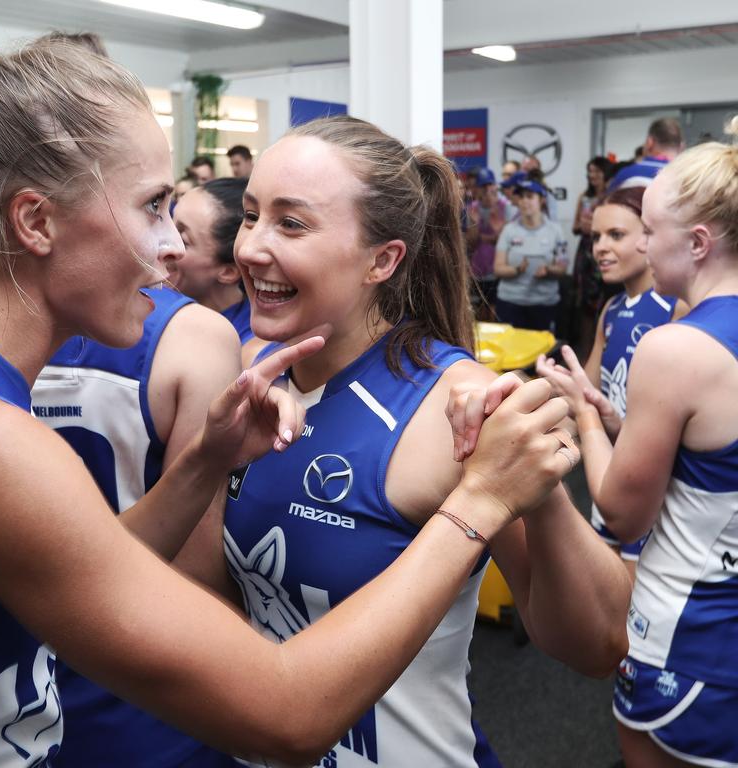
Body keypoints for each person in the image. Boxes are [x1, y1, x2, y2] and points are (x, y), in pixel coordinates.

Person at [0, 31, 581, 767]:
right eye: (151, 207)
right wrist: (478, 505)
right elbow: (287, 716)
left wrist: (203, 462)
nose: (177, 248)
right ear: (35, 222)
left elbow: (77, 564)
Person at [182, 115, 630, 766]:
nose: (250, 248)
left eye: (291, 223)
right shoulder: (246, 369)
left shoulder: (453, 403)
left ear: (382, 259)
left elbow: (599, 644)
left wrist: (535, 492)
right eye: (251, 216)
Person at [484, 127, 738, 768]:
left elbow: (623, 513)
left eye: (649, 233)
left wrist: (588, 420)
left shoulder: (677, 346)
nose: (644, 247)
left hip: (692, 637)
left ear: (699, 242)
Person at [34, 286, 242, 768]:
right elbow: (196, 579)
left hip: (13, 700)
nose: (171, 241)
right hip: (147, 704)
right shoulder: (196, 338)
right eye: (152, 208)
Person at [539, 186, 682, 578]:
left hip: (658, 490)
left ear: (650, 236)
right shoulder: (612, 310)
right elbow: (587, 397)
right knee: (612, 613)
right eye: (596, 237)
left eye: (616, 235)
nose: (600, 247)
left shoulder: (678, 308)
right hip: (611, 475)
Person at [168, 177, 253, 344]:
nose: (161, 243)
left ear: (228, 271)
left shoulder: (246, 343)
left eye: (183, 240)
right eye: (167, 224)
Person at [492, 179, 568, 331]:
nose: (524, 201)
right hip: (510, 303)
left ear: (542, 200)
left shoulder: (556, 231)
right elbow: (498, 268)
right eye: (521, 197)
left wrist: (548, 270)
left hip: (544, 304)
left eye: (530, 196)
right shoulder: (509, 230)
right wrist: (517, 270)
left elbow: (562, 268)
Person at [570, 156, 616, 356]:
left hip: (604, 252)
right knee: (584, 306)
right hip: (586, 253)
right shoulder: (584, 197)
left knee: (604, 301)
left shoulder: (612, 197)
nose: (592, 175)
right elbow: (575, 227)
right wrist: (584, 227)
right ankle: (586, 352)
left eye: (596, 171)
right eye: (590, 171)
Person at [464, 167, 509, 318]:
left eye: (490, 185)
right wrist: (475, 225)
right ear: (477, 188)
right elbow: (470, 242)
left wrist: (493, 234)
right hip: (477, 269)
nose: (487, 190)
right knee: (479, 312)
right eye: (483, 186)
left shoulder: (505, 207)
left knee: (494, 313)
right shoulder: (471, 208)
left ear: (495, 186)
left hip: (497, 270)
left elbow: (506, 241)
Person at [607, 116, 683, 191]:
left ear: (650, 142)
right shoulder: (688, 177)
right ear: (681, 146)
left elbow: (607, 201)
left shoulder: (627, 174)